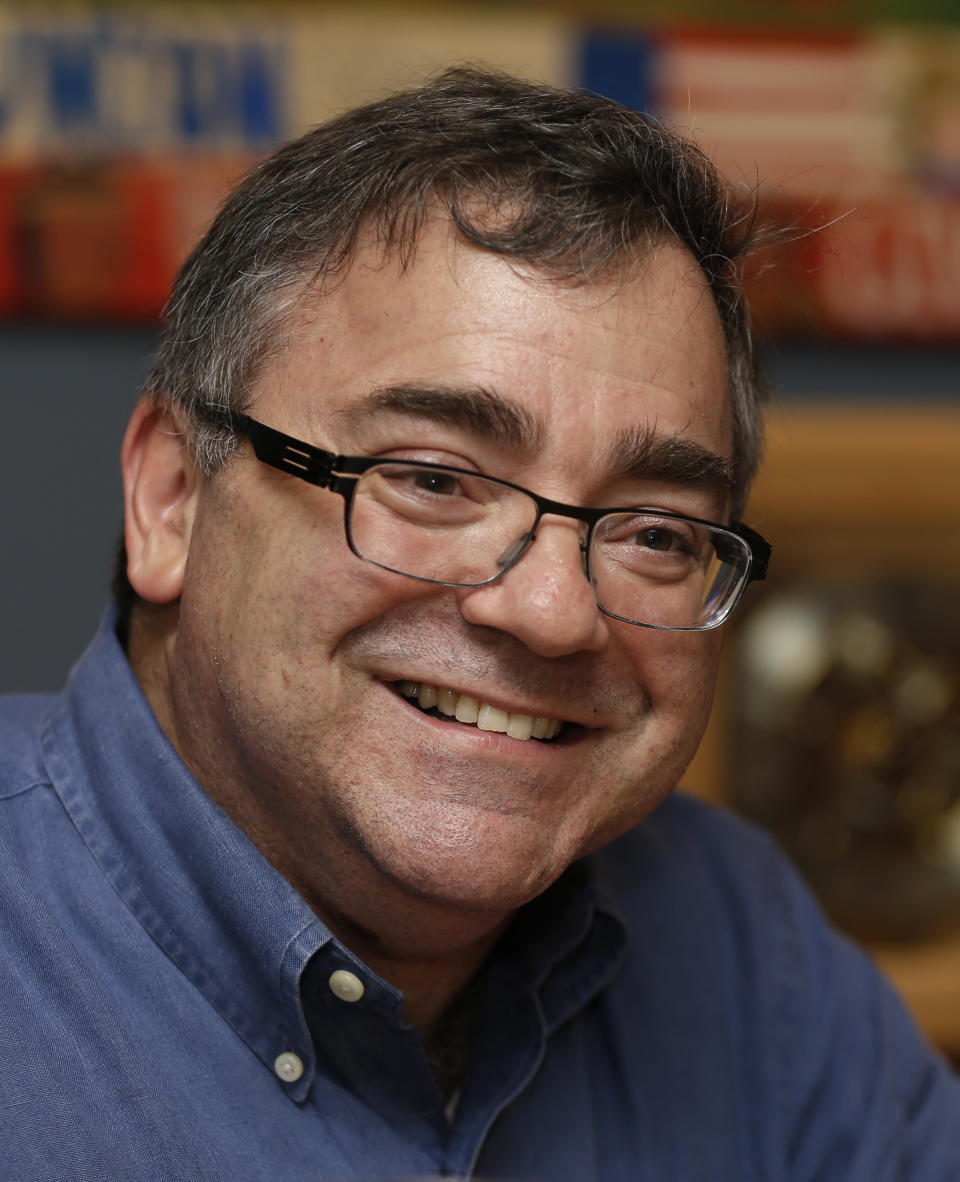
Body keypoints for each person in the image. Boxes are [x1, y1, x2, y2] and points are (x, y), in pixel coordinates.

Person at [0, 67, 956, 1181]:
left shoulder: (742, 949)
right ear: (172, 498)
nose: (552, 612)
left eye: (653, 533)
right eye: (434, 479)